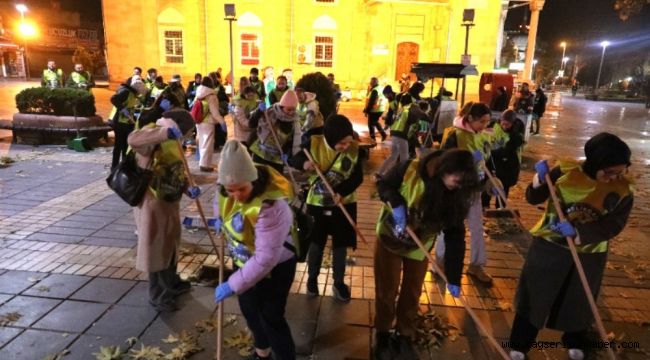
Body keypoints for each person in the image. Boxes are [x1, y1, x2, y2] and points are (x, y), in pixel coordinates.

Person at [508, 133, 634, 360]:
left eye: (620, 172)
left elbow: (614, 224)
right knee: (535, 296)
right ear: (596, 163)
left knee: (579, 298)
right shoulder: (565, 172)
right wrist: (539, 178)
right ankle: (519, 344)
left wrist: (580, 233)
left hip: (589, 253)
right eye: (609, 171)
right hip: (549, 247)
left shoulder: (622, 190)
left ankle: (575, 340)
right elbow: (533, 198)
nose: (613, 177)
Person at [374, 149, 481, 359]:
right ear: (445, 170)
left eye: (463, 185)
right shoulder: (410, 168)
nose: (458, 187)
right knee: (387, 289)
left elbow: (455, 237)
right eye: (457, 181)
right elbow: (383, 185)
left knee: (412, 291)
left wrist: (453, 277)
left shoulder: (456, 195)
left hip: (419, 246)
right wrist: (396, 203)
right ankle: (382, 332)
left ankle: (405, 332)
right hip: (389, 238)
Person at [213, 140, 298, 360]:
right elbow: (220, 201)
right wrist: (219, 219)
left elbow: (265, 258)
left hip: (275, 266)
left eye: (242, 189)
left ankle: (286, 356)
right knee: (250, 311)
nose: (237, 195)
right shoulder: (225, 189)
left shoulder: (271, 207)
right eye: (231, 190)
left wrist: (233, 284)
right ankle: (262, 353)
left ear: (253, 180)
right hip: (244, 260)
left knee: (271, 316)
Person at [128, 108, 199, 312]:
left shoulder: (175, 142)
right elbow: (133, 139)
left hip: (169, 201)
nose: (187, 136)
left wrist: (188, 188)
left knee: (171, 244)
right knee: (156, 247)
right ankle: (158, 294)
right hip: (152, 201)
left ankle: (172, 282)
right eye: (187, 131)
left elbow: (176, 169)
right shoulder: (154, 133)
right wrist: (164, 133)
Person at [289, 115, 365, 302]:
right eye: (342, 143)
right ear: (331, 138)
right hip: (317, 203)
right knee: (316, 243)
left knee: (340, 245)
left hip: (343, 203)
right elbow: (294, 160)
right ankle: (312, 279)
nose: (346, 146)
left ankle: (338, 283)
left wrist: (341, 192)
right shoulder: (313, 144)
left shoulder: (355, 150)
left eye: (348, 142)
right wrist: (305, 164)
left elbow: (357, 178)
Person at [436, 102, 493, 284]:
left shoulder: (482, 136)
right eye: (482, 121)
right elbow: (444, 162)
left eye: (487, 122)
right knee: (448, 226)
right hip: (456, 190)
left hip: (475, 190)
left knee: (476, 226)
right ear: (470, 119)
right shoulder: (454, 134)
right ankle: (439, 263)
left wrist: (490, 178)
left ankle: (476, 264)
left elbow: (486, 161)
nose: (484, 126)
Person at [249, 90, 302, 173]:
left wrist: (287, 154)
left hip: (277, 158)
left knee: (276, 182)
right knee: (258, 180)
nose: (292, 113)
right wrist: (258, 111)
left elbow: (291, 141)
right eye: (289, 109)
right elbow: (251, 124)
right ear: (282, 106)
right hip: (260, 153)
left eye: (294, 109)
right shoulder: (269, 113)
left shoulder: (294, 122)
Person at [482, 109, 524, 208]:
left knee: (503, 187)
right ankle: (484, 205)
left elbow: (508, 151)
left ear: (513, 124)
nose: (504, 127)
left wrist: (490, 152)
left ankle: (500, 208)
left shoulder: (516, 136)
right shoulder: (494, 126)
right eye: (503, 124)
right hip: (493, 162)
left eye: (507, 125)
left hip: (508, 165)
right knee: (488, 183)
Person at [376, 94, 426, 177]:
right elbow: (422, 115)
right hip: (401, 135)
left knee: (394, 155)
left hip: (394, 133)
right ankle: (401, 176)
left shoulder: (402, 109)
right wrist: (429, 119)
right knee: (404, 158)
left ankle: (379, 173)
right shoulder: (412, 107)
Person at [109, 76, 148, 169]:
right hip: (118, 122)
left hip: (126, 122)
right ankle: (115, 166)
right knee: (119, 145)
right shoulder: (125, 91)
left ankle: (123, 165)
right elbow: (113, 99)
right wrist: (123, 109)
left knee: (125, 145)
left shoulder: (132, 93)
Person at [194, 76, 226, 172]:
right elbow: (215, 113)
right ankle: (205, 165)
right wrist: (222, 122)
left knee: (202, 142)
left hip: (199, 121)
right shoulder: (211, 96)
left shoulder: (199, 92)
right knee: (207, 144)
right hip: (208, 122)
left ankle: (202, 162)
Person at [364, 77, 387, 142]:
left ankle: (373, 138)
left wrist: (367, 110)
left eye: (371, 82)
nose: (370, 83)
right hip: (380, 108)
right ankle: (383, 134)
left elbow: (371, 101)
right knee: (375, 122)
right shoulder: (380, 88)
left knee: (370, 124)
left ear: (374, 82)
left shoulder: (375, 90)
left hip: (374, 109)